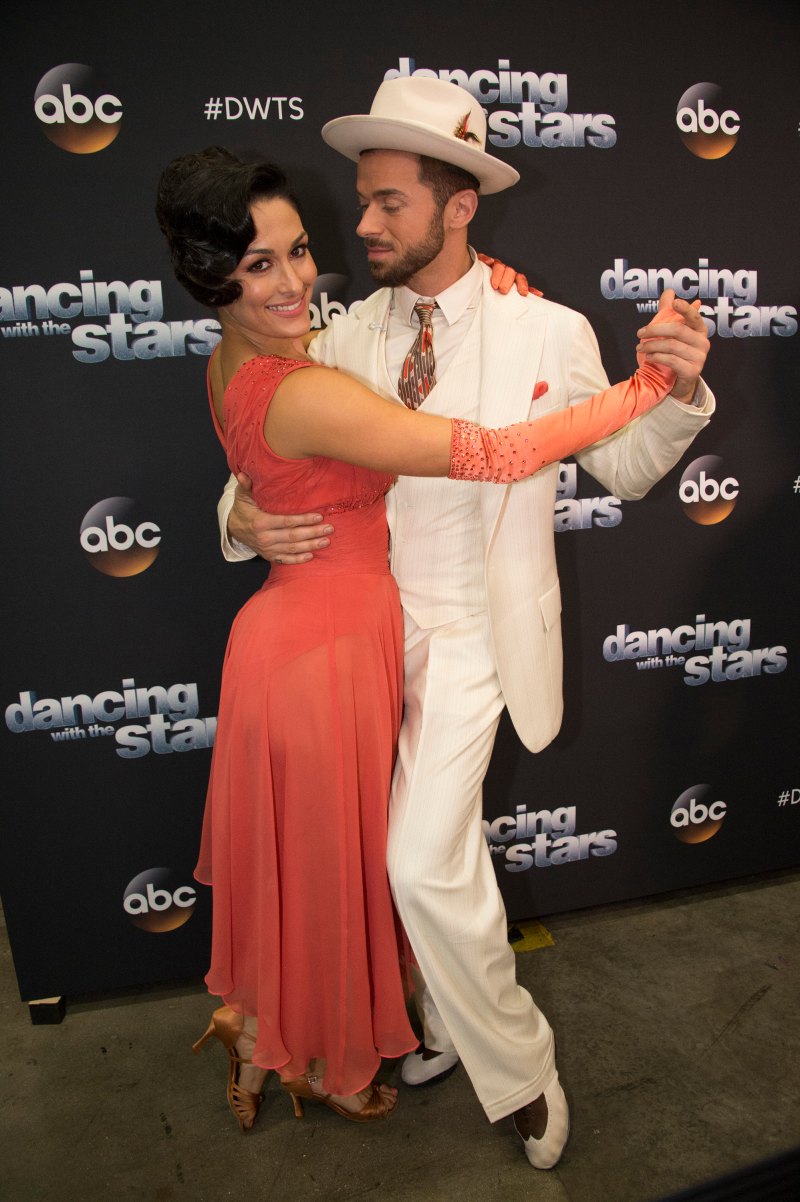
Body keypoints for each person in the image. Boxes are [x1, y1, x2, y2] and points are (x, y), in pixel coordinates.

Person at [218, 76, 714, 1168]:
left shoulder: (549, 327)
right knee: (385, 859)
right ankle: (431, 1020)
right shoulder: (340, 335)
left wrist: (671, 393)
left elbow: (623, 469)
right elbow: (275, 448)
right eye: (361, 199)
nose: (361, 223)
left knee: (418, 861)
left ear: (456, 205)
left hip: (476, 637)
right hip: (355, 635)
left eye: (388, 201)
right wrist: (238, 511)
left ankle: (523, 1071)